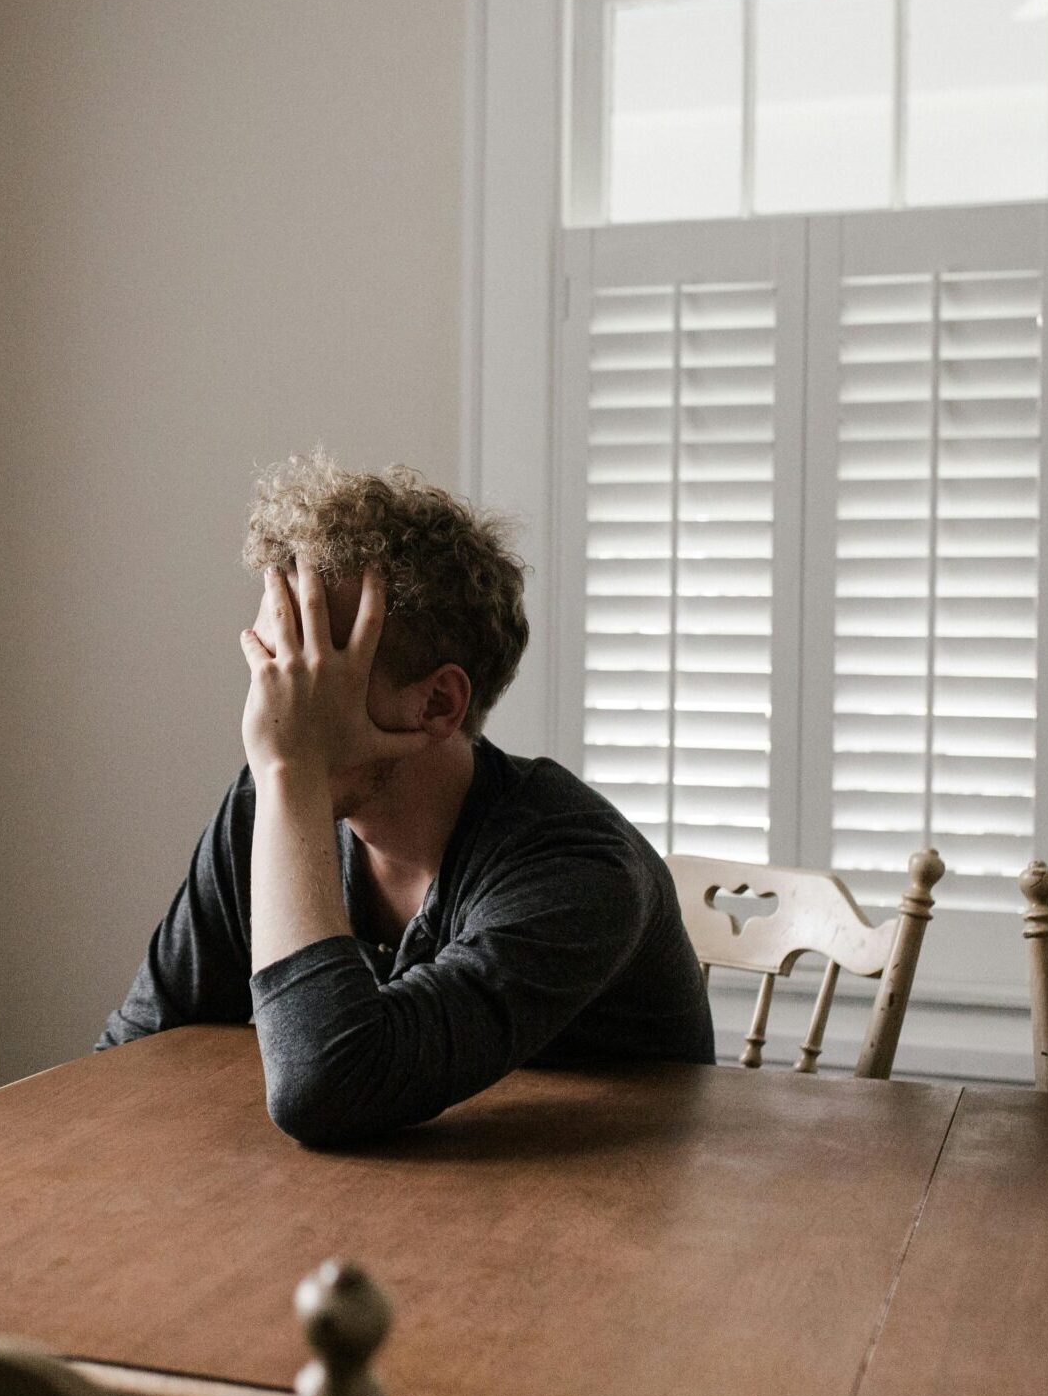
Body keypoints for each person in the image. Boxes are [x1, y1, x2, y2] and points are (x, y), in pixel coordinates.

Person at [98, 451, 714, 1145]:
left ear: (437, 703)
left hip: (606, 1220)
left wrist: (291, 776)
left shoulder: (578, 869)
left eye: (309, 671)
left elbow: (326, 1087)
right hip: (378, 1208)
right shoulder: (269, 805)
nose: (269, 710)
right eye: (270, 665)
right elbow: (132, 1058)